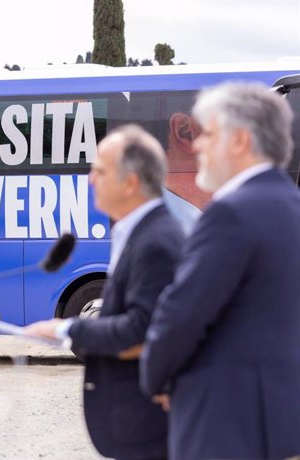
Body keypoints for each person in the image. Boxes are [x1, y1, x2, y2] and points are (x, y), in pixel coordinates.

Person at [141, 82, 300, 459]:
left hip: (225, 420)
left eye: (208, 134)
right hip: (278, 419)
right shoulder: (290, 204)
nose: (197, 146)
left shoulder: (229, 215)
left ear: (240, 141)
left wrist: (156, 377)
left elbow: (181, 314)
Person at [27, 124, 184, 460]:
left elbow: (142, 332)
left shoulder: (155, 242)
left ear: (130, 182)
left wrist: (65, 328)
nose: (89, 178)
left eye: (99, 170)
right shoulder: (142, 232)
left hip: (149, 426)